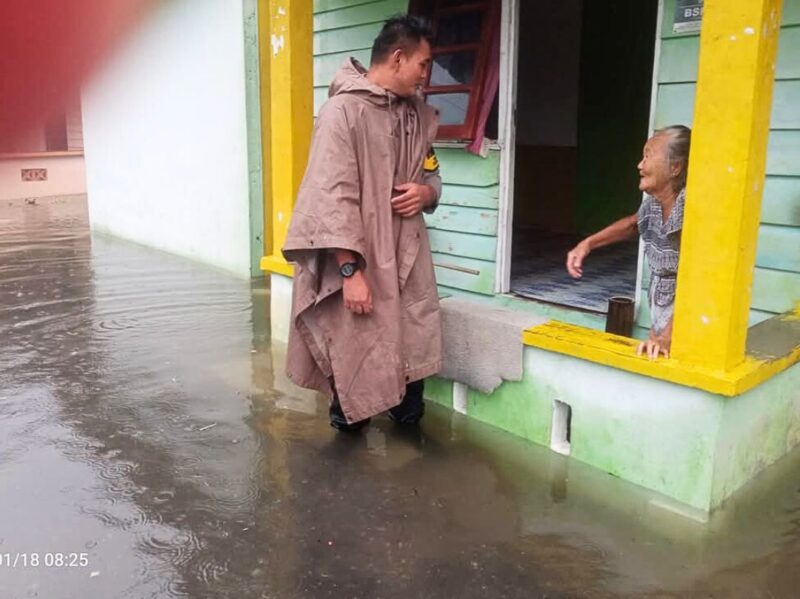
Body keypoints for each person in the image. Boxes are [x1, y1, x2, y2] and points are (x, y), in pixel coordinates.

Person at [282, 15, 443, 432]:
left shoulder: (415, 117)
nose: (427, 74)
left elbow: (432, 174)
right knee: (353, 361)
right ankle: (344, 472)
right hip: (359, 263)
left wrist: (427, 194)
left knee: (410, 357)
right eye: (423, 64)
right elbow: (331, 199)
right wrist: (350, 271)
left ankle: (410, 468)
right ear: (398, 57)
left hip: (407, 261)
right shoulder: (342, 112)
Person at [566, 125, 691, 360]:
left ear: (675, 167)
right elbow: (633, 224)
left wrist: (666, 336)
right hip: (663, 312)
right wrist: (587, 244)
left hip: (686, 323)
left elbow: (695, 283)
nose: (640, 165)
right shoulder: (654, 203)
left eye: (647, 156)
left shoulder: (687, 211)